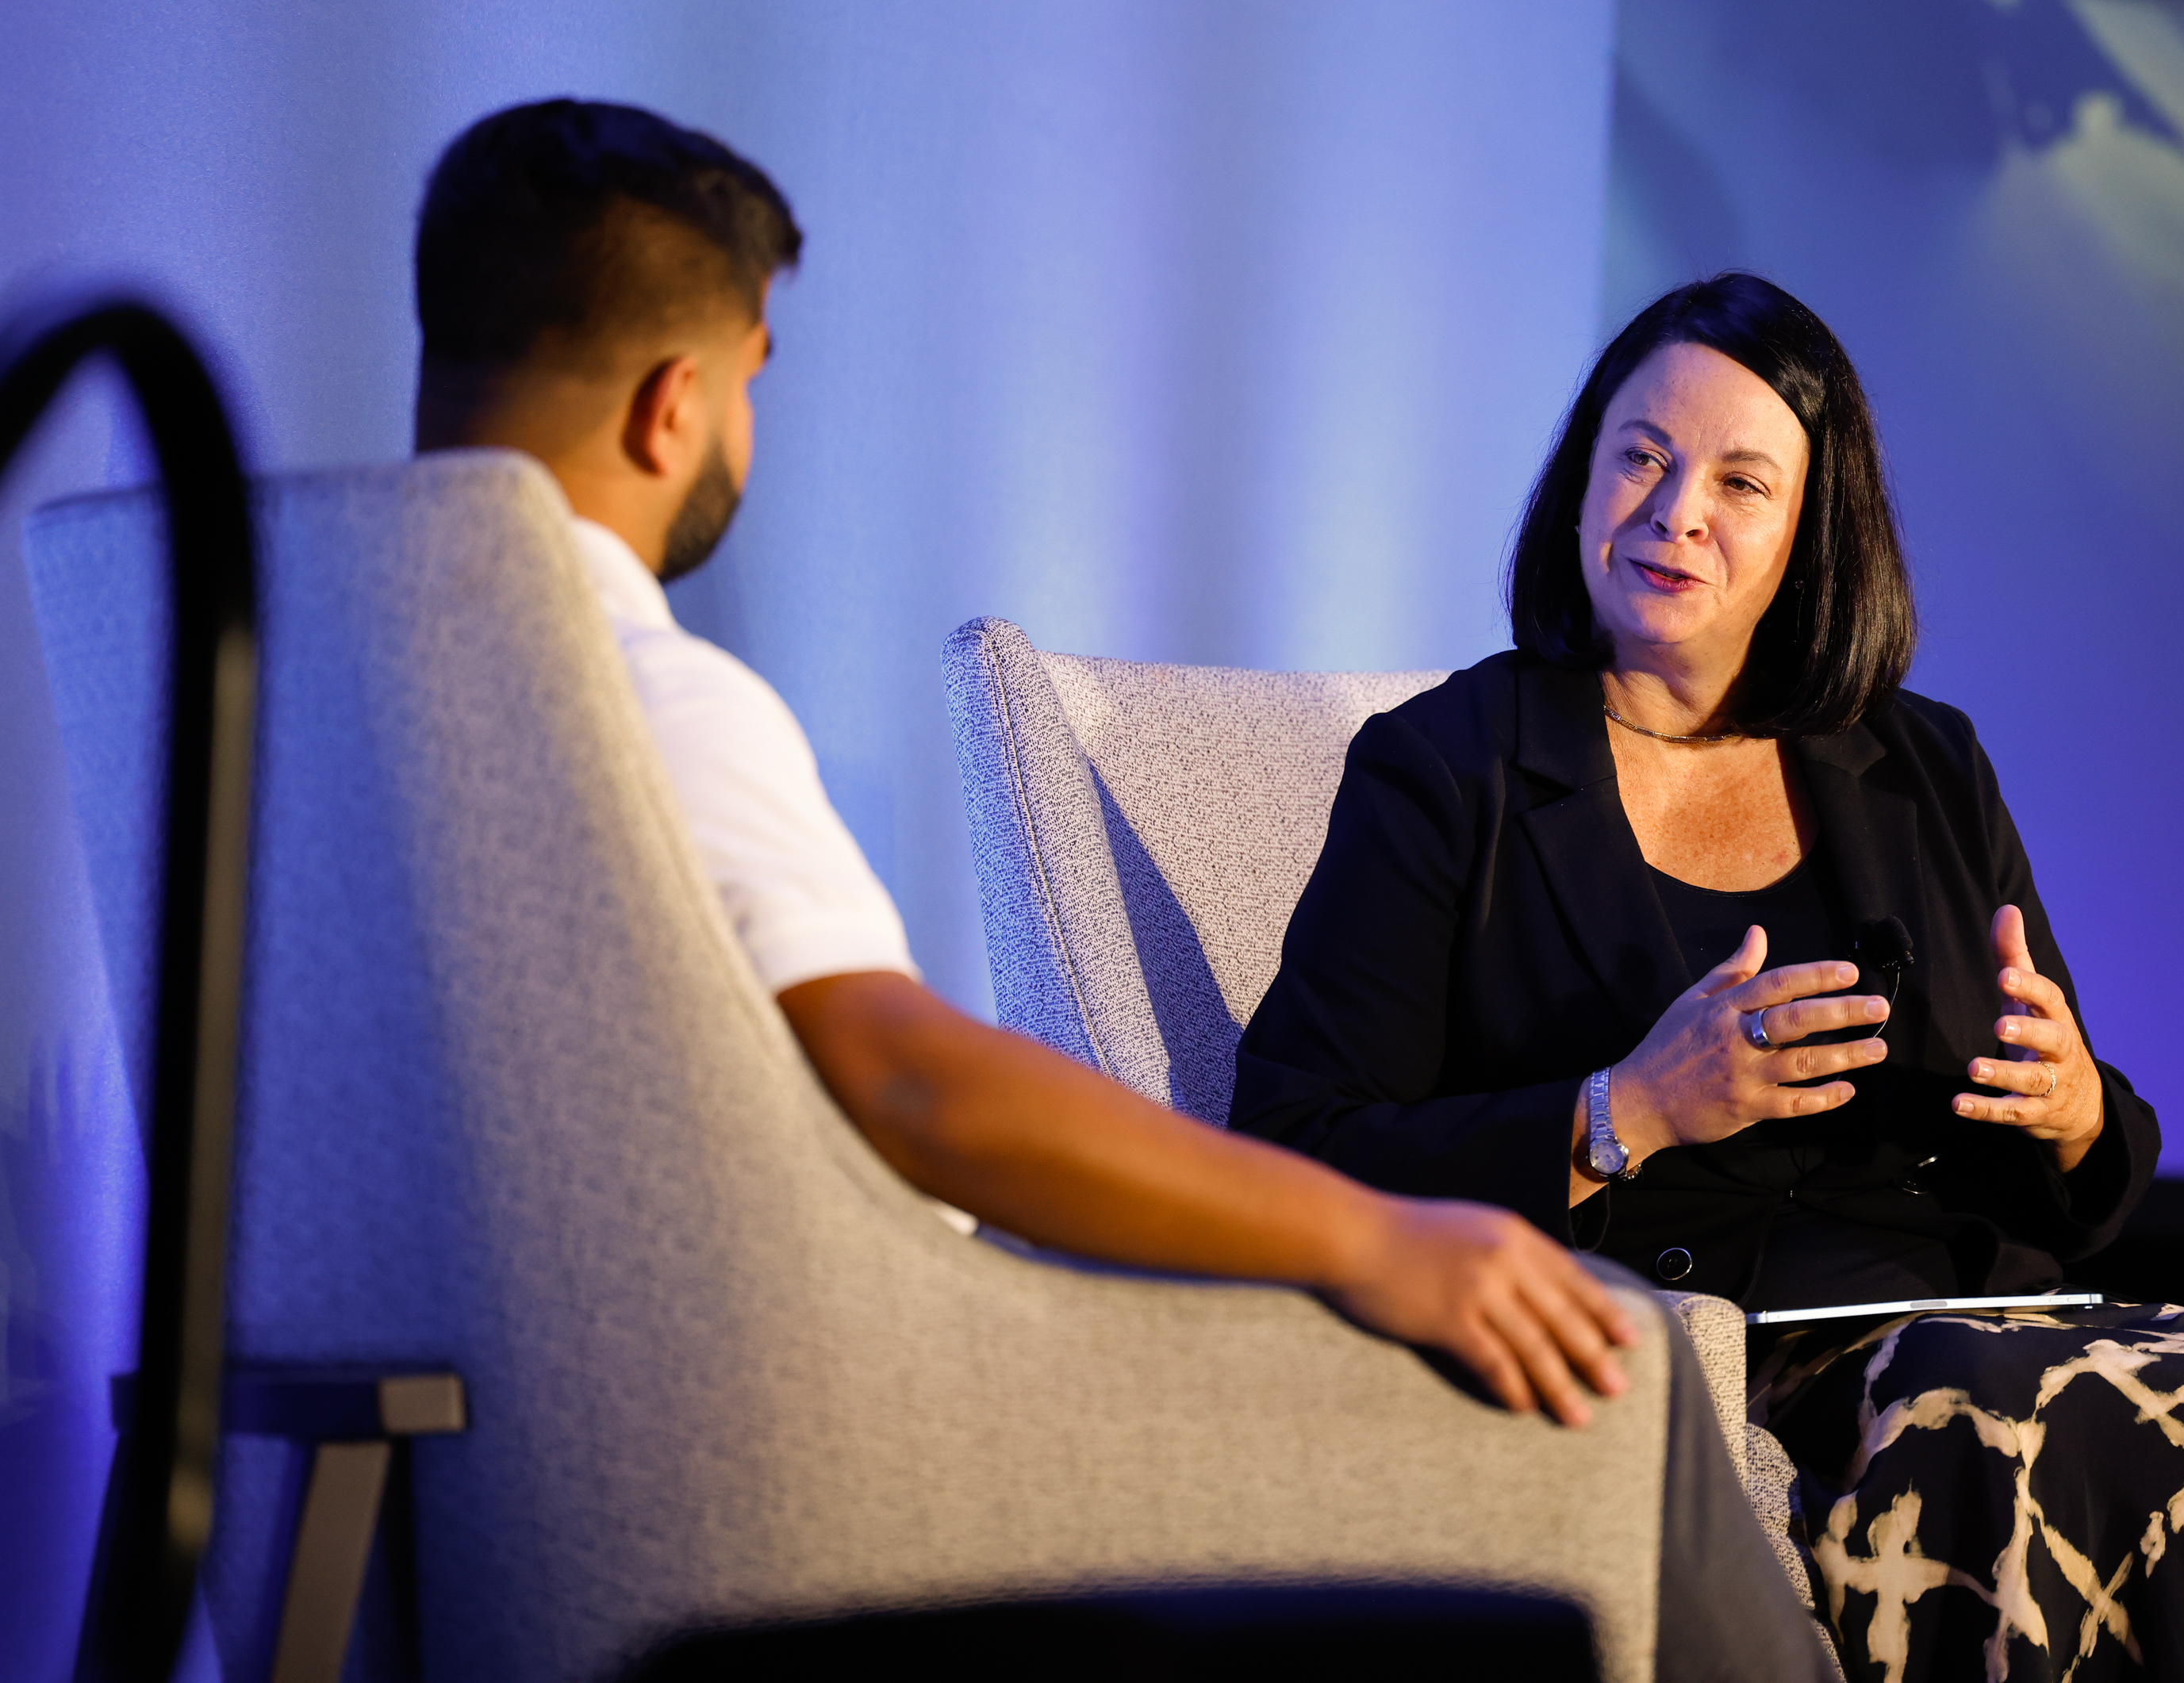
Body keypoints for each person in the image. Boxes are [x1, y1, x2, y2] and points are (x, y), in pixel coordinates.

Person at [409, 98, 1825, 1683]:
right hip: (805, 1422)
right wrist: (1375, 1236)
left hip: (494, 1449)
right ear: (677, 402)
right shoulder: (634, 702)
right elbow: (913, 1084)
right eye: (753, 382)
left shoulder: (297, 674)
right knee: (1611, 1347)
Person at [1234, 273, 2184, 1681]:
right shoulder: (1449, 772)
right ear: (1578, 483)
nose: (1677, 511)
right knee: (1984, 1407)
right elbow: (1293, 1147)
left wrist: (2073, 1111)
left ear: (1810, 537)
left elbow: (2094, 1177)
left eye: (1741, 482)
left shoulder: (1922, 766)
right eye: (1643, 457)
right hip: (1713, 1348)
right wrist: (1628, 1111)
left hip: (1987, 1319)